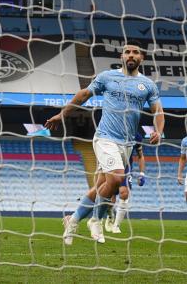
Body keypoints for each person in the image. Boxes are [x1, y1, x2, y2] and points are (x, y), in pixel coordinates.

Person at [46, 44, 163, 245]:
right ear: (122, 56)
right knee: (117, 178)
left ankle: (72, 220)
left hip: (127, 143)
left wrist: (158, 130)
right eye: (127, 52)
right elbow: (84, 94)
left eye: (135, 52)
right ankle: (96, 220)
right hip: (105, 137)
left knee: (102, 185)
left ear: (141, 57)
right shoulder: (107, 76)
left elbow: (158, 110)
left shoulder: (147, 85)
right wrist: (62, 113)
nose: (131, 55)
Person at [104, 129, 147, 234]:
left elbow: (140, 156)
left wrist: (142, 173)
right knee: (110, 198)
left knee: (124, 194)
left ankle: (116, 226)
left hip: (126, 168)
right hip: (112, 166)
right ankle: (110, 216)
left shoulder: (137, 136)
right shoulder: (113, 130)